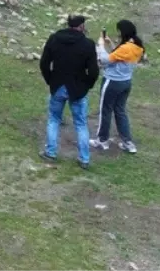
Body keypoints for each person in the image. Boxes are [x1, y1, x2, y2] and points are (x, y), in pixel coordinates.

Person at [39, 15, 100, 169]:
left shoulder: (54, 39)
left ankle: (51, 152)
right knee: (80, 123)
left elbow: (44, 63)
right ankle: (84, 159)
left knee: (54, 119)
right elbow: (93, 71)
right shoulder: (87, 44)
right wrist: (87, 85)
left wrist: (50, 80)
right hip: (78, 89)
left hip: (58, 85)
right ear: (81, 26)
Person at [93, 20, 145, 154]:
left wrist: (100, 45)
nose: (118, 33)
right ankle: (127, 142)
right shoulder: (137, 47)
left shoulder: (125, 48)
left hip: (112, 82)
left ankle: (102, 140)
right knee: (120, 111)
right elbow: (119, 57)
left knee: (105, 110)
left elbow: (106, 60)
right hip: (126, 83)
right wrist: (110, 44)